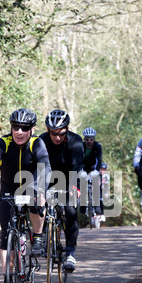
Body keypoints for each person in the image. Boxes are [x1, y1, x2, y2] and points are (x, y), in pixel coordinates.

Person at [0, 108, 51, 283]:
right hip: (8, 188)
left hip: (31, 184)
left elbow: (45, 167)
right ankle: (7, 281)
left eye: (24, 128)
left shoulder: (37, 143)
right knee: (6, 235)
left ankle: (37, 237)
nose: (19, 132)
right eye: (15, 127)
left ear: (32, 129)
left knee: (36, 199)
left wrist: (41, 190)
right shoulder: (2, 143)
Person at [40, 109, 84, 272]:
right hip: (47, 177)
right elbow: (35, 166)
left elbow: (76, 166)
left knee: (71, 210)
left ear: (67, 129)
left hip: (68, 177)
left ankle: (70, 252)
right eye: (53, 133)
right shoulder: (41, 141)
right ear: (47, 130)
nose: (57, 137)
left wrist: (74, 187)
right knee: (37, 204)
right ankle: (43, 235)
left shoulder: (76, 141)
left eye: (61, 133)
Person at [82, 127, 103, 215]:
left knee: (96, 181)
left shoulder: (98, 146)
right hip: (83, 167)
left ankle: (97, 204)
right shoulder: (81, 146)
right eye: (87, 139)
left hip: (93, 167)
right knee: (82, 179)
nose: (89, 141)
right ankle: (83, 204)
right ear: (84, 140)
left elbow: (99, 159)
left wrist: (97, 170)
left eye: (91, 139)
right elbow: (78, 160)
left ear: (94, 139)